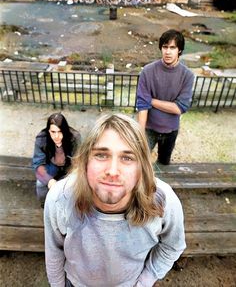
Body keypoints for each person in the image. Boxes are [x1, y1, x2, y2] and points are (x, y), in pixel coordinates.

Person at [44, 113, 186, 287]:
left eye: (127, 158)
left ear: (142, 168)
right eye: (101, 155)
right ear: (85, 161)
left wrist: (145, 282)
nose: (112, 171)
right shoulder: (60, 198)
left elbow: (172, 246)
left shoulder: (165, 202)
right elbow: (54, 252)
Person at [136, 29, 194, 165]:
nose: (168, 52)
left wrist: (152, 100)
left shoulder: (187, 75)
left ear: (179, 50)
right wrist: (139, 135)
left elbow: (180, 107)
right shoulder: (148, 71)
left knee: (164, 162)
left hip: (171, 130)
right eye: (165, 47)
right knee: (139, 160)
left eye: (172, 47)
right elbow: (142, 106)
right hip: (149, 128)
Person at [32, 112, 81, 204]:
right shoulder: (42, 138)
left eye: (60, 132)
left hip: (69, 166)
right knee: (40, 185)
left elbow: (78, 161)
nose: (56, 136)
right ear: (48, 131)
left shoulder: (74, 138)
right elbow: (38, 163)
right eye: (53, 132)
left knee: (73, 188)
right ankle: (45, 205)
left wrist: (71, 178)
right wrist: (49, 180)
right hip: (51, 165)